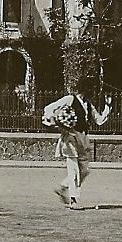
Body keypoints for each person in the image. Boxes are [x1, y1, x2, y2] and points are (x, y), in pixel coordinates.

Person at [42, 77, 112, 210]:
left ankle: (63, 187)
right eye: (90, 89)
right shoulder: (70, 99)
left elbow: (99, 120)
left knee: (85, 170)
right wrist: (54, 122)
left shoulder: (88, 104)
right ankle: (74, 200)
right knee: (73, 170)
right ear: (84, 89)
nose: (92, 92)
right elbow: (49, 108)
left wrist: (107, 106)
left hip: (83, 138)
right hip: (70, 138)